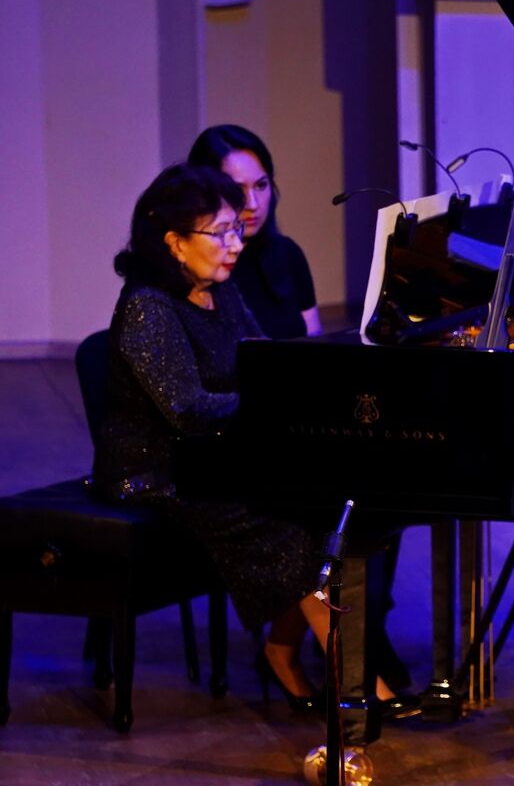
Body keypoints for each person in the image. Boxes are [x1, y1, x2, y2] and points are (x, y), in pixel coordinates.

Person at [93, 164, 408, 715]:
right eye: (221, 233)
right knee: (288, 523)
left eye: (237, 229)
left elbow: (263, 363)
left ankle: (283, 652)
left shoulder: (220, 291)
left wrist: (312, 384)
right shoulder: (149, 307)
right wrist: (276, 407)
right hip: (157, 470)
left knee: (329, 507)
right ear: (174, 242)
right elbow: (188, 409)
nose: (236, 244)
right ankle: (360, 689)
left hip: (216, 455)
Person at [187, 124, 322, 339]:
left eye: (261, 185)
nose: (252, 204)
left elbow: (316, 341)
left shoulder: (287, 254)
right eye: (236, 189)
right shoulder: (200, 267)